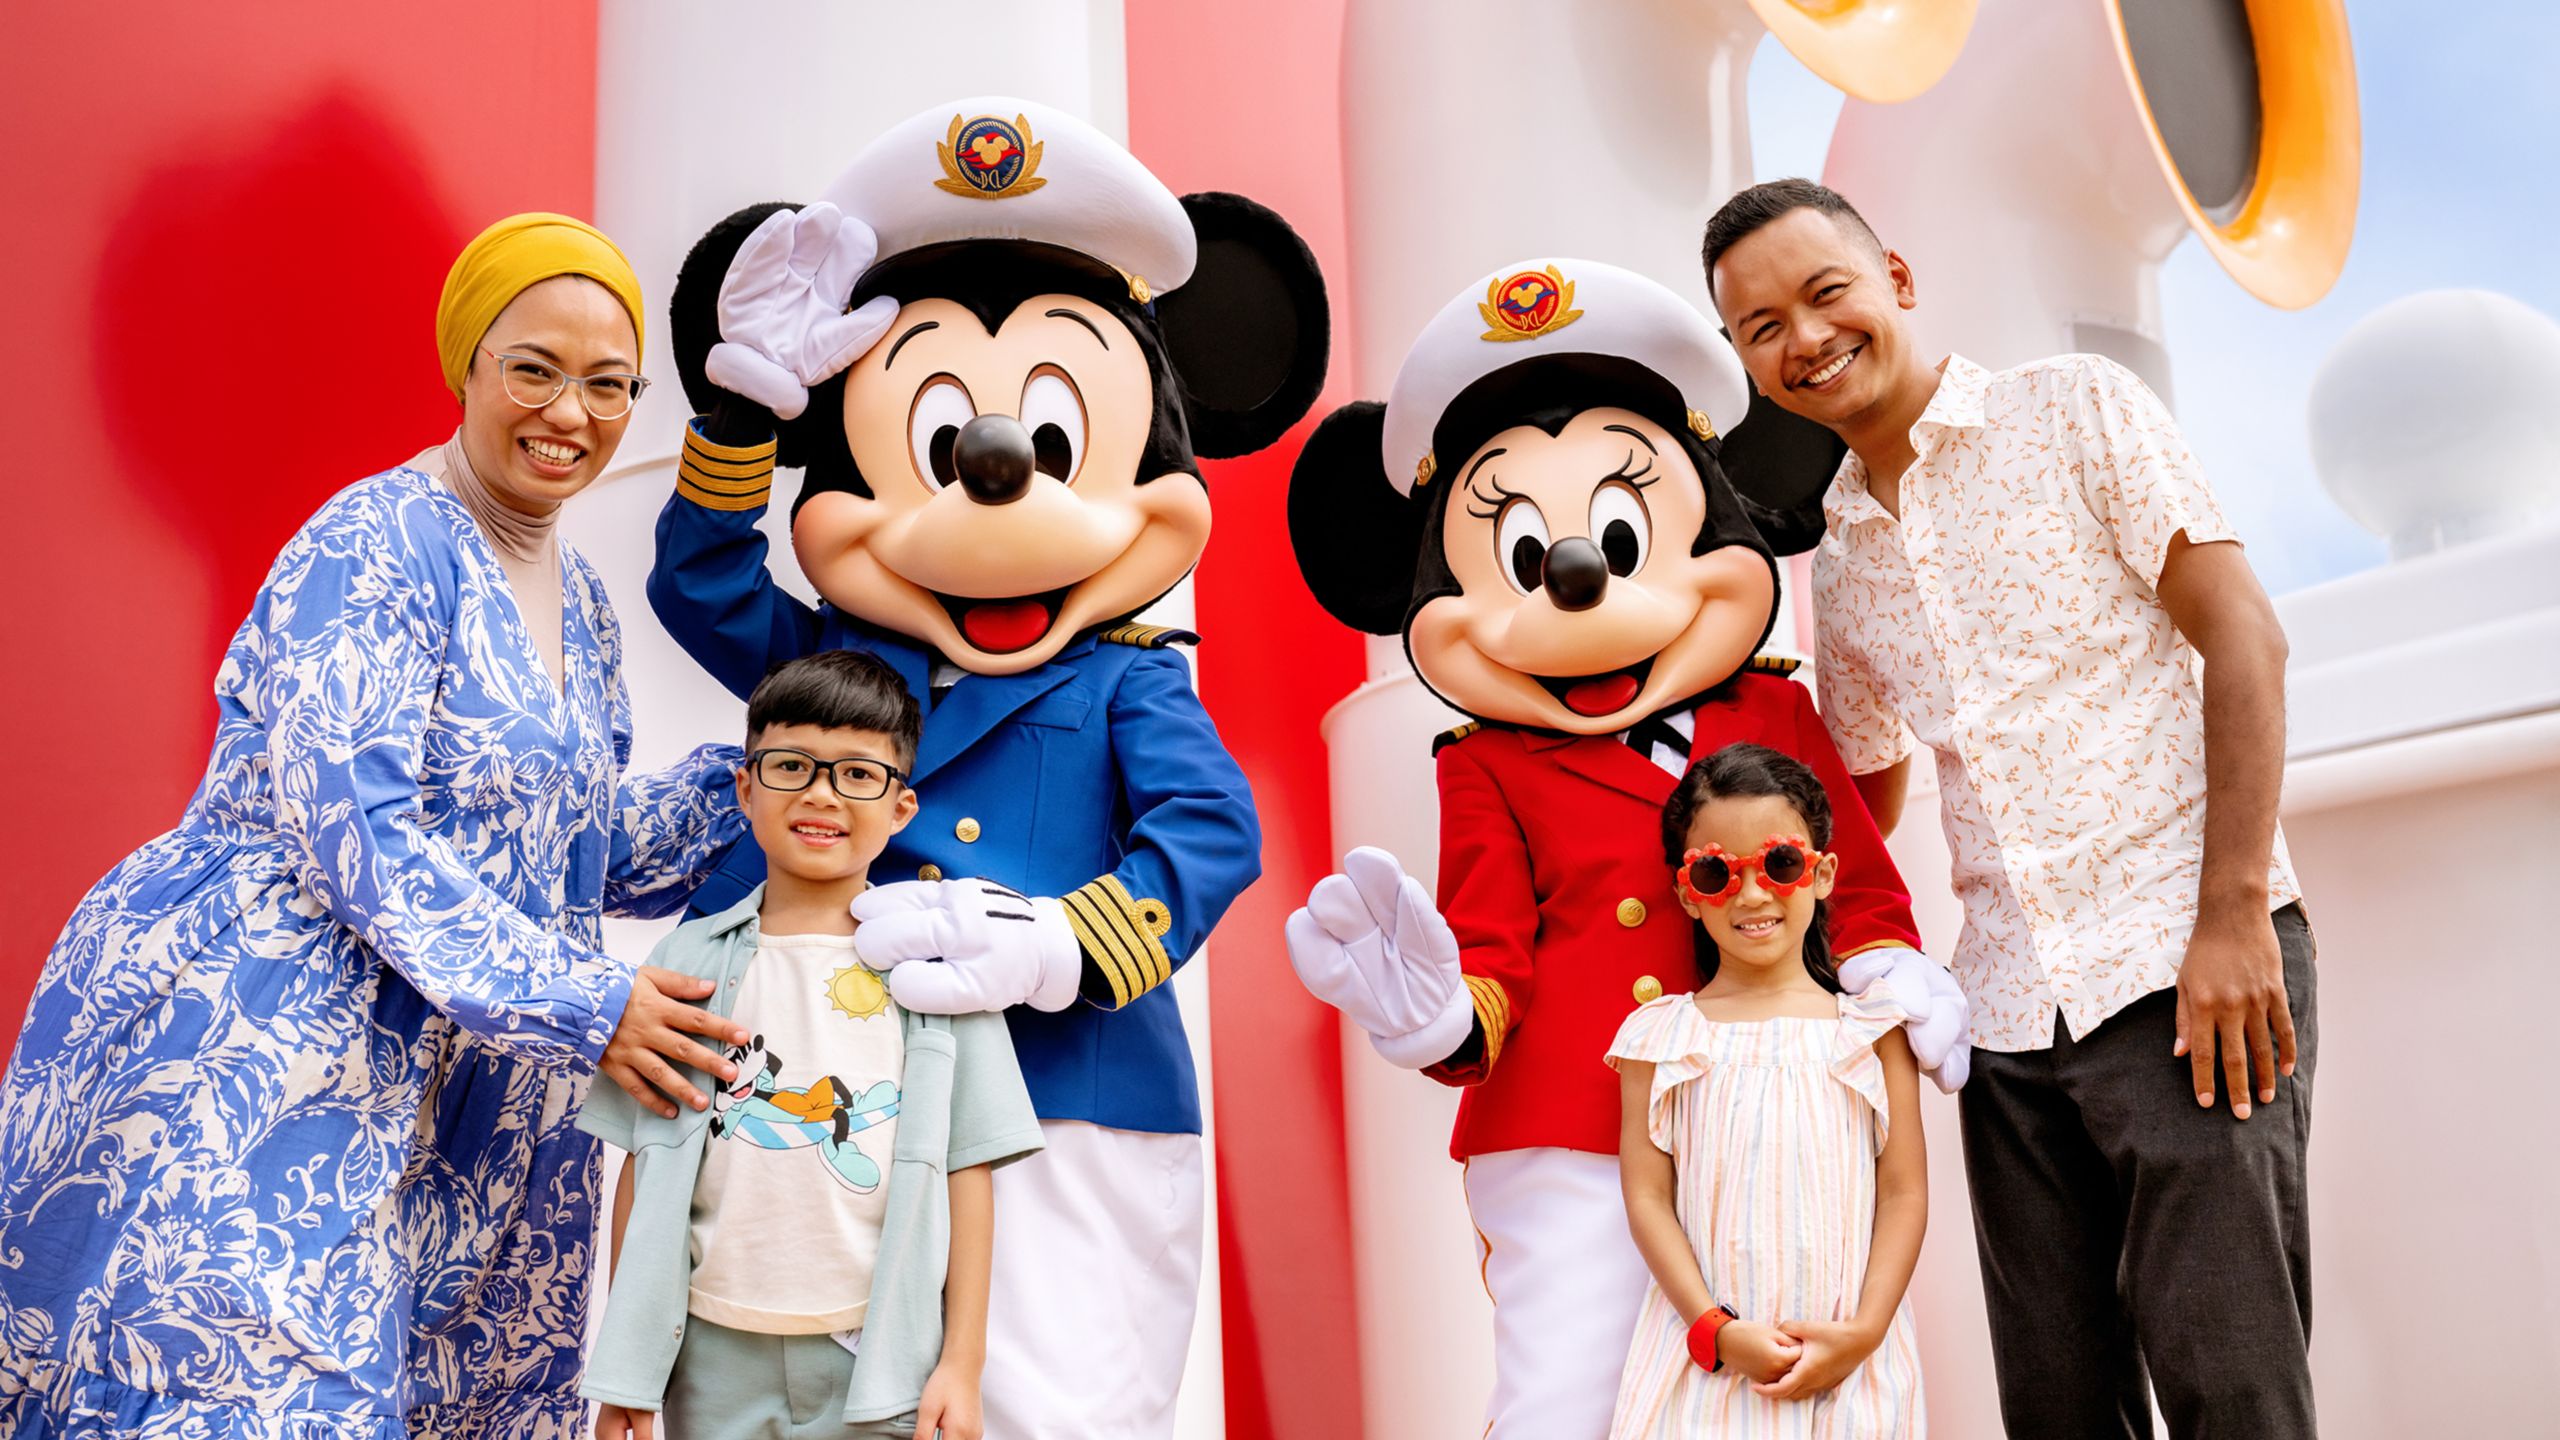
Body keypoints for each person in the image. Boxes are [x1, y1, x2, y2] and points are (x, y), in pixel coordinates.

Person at [0, 213, 754, 1440]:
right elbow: (362, 833)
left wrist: (780, 771)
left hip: (472, 1081)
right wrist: (590, 1002)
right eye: (536, 369)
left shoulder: (586, 600)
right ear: (466, 365)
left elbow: (574, 846)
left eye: (610, 384)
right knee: (260, 1400)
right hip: (277, 1039)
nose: (573, 411)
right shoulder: (371, 542)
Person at [645, 97, 1330, 1437]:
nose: (1003, 476)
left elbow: (1212, 827)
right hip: (831, 1083)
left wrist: (1065, 943)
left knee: (1045, 1405)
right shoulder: (838, 664)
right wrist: (740, 420)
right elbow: (702, 583)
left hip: (1062, 1090)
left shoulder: (1127, 673)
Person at [1279, 256, 1965, 1437]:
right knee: (1570, 1396)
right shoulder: (1485, 762)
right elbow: (1490, 945)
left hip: (1764, 1105)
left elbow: (1851, 876)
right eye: (1524, 556)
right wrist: (1442, 1017)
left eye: (1613, 532)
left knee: (1759, 1393)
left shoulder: (1771, 713)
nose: (1582, 580)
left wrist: (1886, 966)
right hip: (1569, 1121)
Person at [1703, 178, 2319, 1437]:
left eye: (1826, 293)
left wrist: (2232, 918)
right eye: (1762, 325)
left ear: (1897, 280)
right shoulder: (1840, 562)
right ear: (1744, 362)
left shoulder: (2078, 411)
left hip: (2184, 964)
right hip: (2005, 1025)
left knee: (2230, 1385)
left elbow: (2244, 644)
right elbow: (1854, 812)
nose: (1804, 337)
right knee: (2054, 1405)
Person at [582, 651, 1041, 1440]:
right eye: (792, 765)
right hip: (709, 1351)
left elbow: (969, 1174)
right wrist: (628, 1371)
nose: (823, 793)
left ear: (901, 808)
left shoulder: (936, 976)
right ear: (746, 788)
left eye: (857, 774)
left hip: (880, 1359)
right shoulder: (681, 966)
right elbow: (642, 1168)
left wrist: (960, 1364)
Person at [1608, 743, 1927, 1438]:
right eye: (1720, 872)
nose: (1753, 895)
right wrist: (1714, 1331)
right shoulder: (1657, 1037)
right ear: (1689, 893)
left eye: (1780, 865)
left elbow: (1904, 1191)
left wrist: (1866, 1331)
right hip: (1703, 1373)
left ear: (1822, 874)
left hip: (1852, 1365)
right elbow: (1646, 1198)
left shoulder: (1872, 1031)